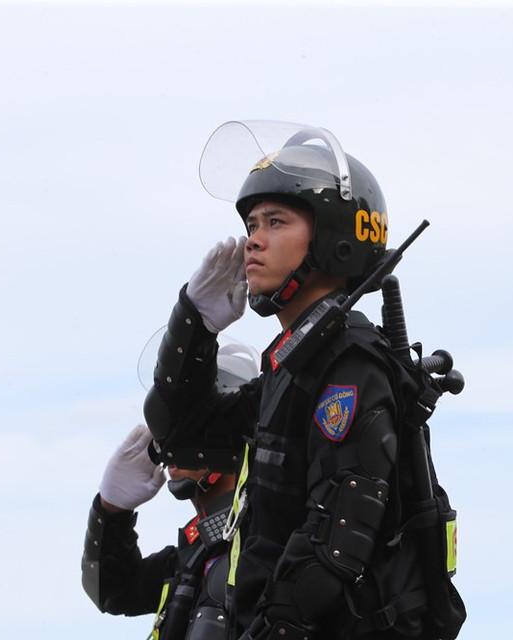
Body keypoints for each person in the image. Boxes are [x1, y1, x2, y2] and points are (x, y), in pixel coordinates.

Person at [143, 121, 425, 640]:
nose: (253, 240)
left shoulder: (348, 364)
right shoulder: (290, 365)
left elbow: (333, 549)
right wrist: (194, 325)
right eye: (252, 223)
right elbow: (181, 436)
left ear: (334, 238)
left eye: (276, 222)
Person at [82, 338, 260, 640]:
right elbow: (109, 590)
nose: (169, 445)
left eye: (189, 430)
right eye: (169, 430)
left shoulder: (263, 537)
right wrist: (111, 510)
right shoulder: (192, 555)